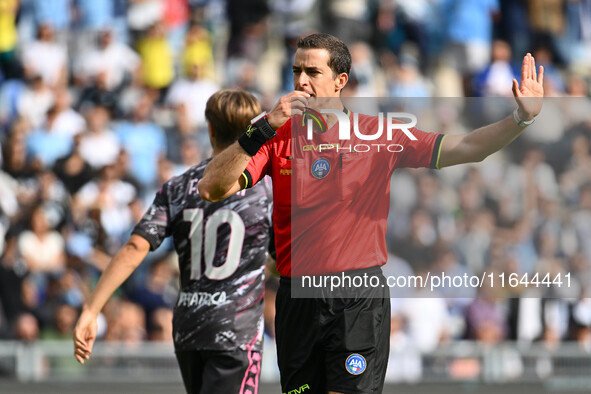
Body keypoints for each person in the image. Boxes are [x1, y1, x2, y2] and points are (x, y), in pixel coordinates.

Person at [198, 33, 544, 394]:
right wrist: (263, 125)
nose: (301, 81)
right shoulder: (274, 134)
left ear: (340, 81)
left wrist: (521, 118)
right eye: (296, 70)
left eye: (313, 72)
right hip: (296, 298)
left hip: (355, 295)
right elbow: (213, 188)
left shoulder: (378, 135)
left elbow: (467, 146)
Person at [73, 89, 273, 394]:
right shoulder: (266, 189)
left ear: (209, 128)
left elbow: (135, 247)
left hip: (190, 327)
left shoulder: (179, 187)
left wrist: (91, 309)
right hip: (236, 330)